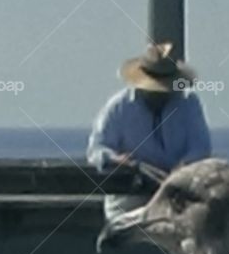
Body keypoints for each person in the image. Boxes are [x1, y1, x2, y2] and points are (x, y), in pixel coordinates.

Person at [87, 42, 212, 217]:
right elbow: (97, 148)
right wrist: (116, 159)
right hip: (129, 199)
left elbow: (201, 147)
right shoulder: (120, 106)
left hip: (176, 197)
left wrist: (182, 168)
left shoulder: (188, 105)